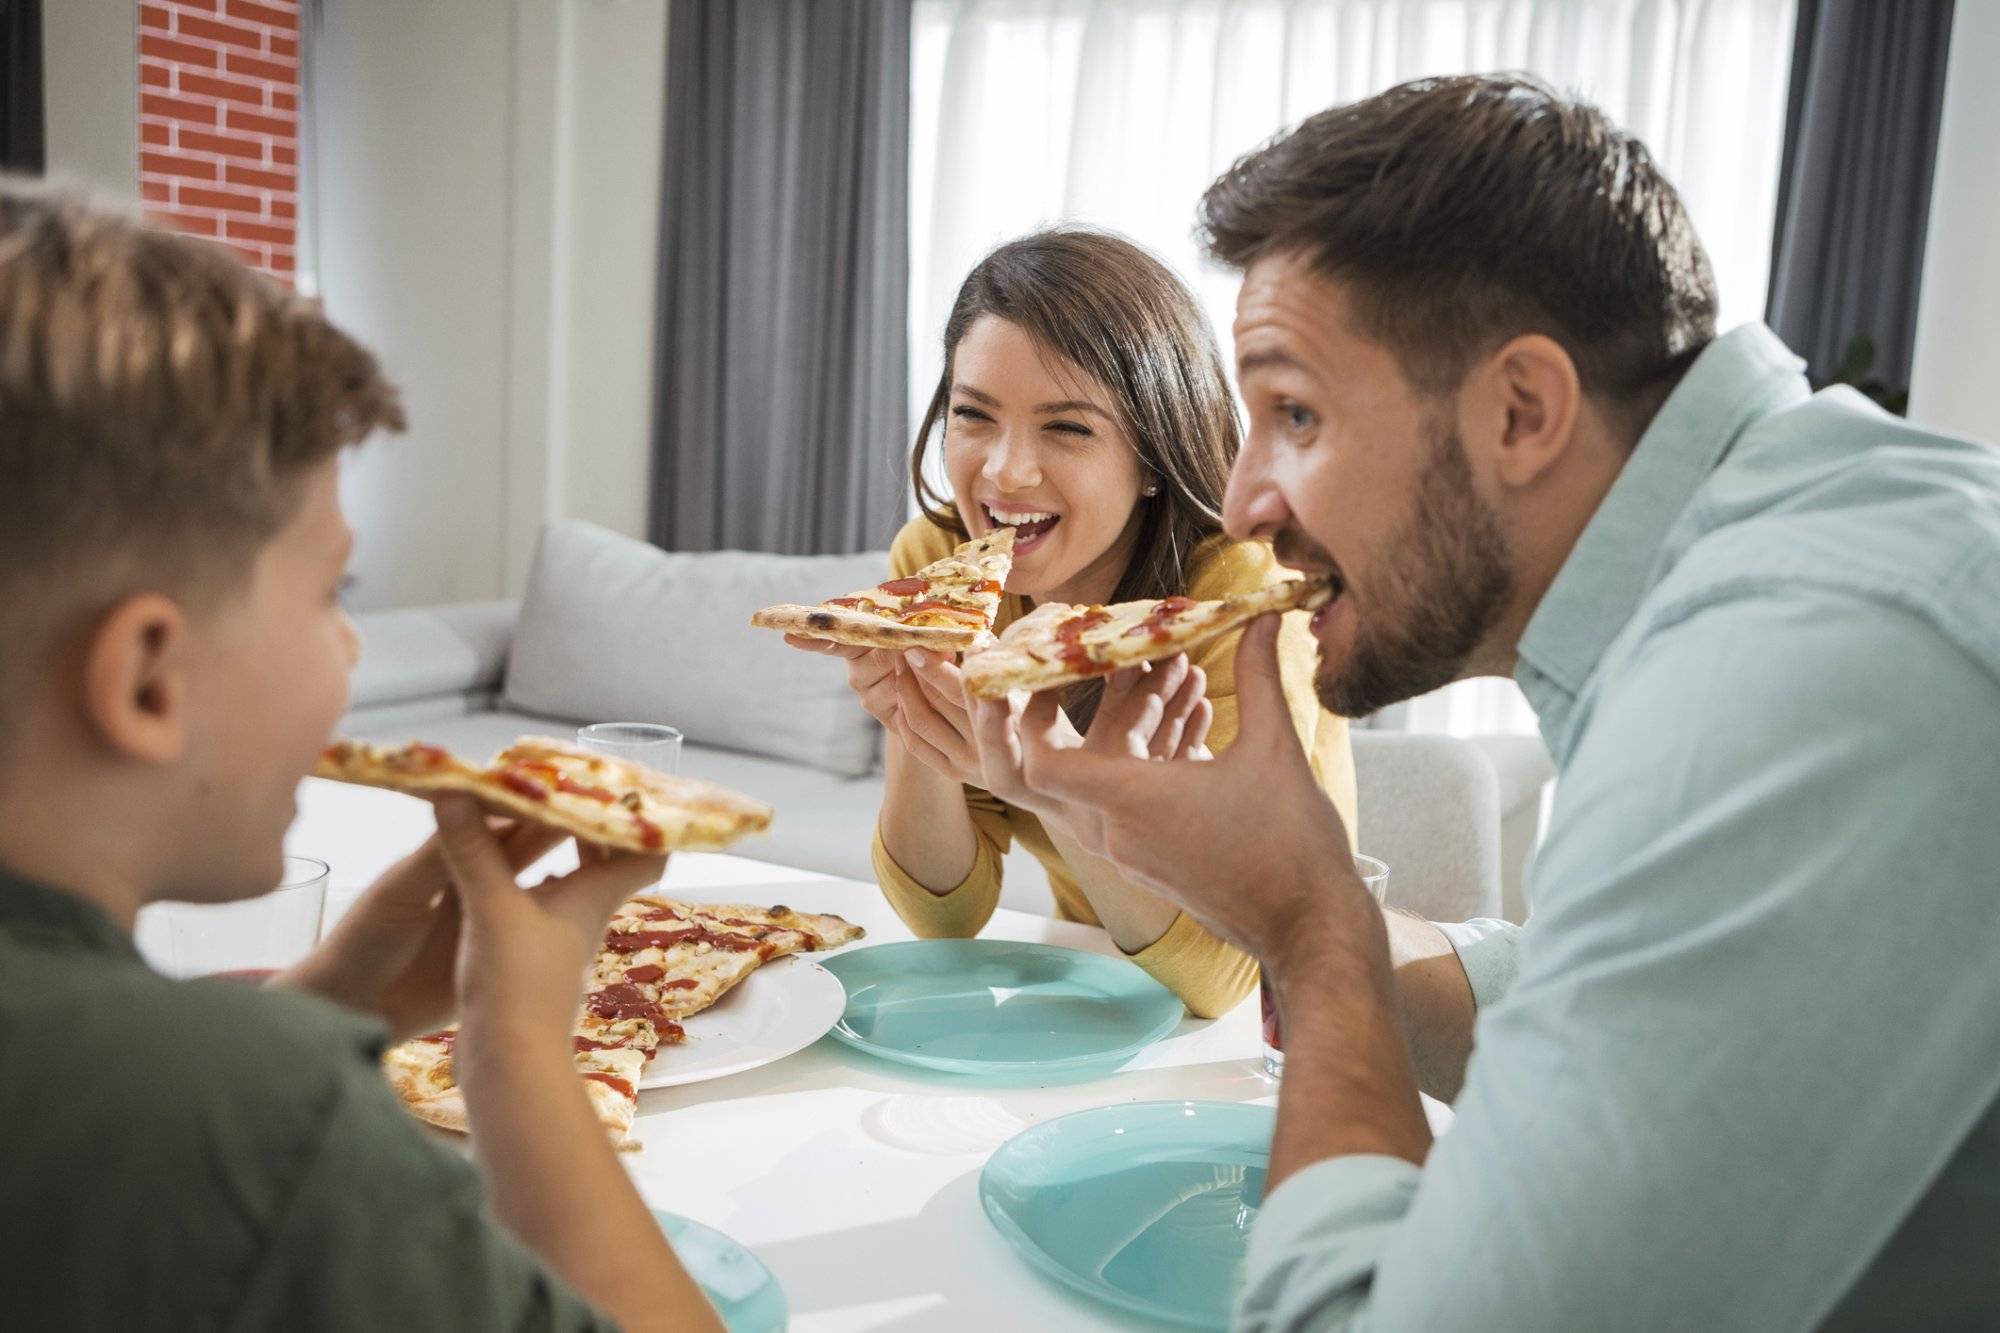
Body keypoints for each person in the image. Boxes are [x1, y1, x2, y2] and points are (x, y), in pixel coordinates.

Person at [967, 75, 2000, 1327]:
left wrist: (1314, 927)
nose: (1241, 499)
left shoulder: (1807, 667)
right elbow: (1605, 973)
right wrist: (1237, 884)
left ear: (1520, 409)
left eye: (1293, 411)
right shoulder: (1793, 541)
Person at [0, 183, 721, 1331]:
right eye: (331, 590)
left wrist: (335, 1002)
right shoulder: (251, 1128)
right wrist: (522, 1055)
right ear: (144, 676)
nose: (349, 647)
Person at [788, 228, 1357, 1017]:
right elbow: (944, 919)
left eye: (1068, 427)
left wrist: (1049, 781)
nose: (1005, 471)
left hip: (1273, 1024)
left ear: (1154, 453)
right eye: (974, 415)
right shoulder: (938, 560)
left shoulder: (1233, 601)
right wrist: (910, 705)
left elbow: (1226, 979)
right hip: (1080, 996)